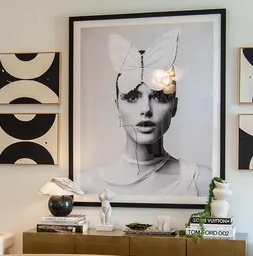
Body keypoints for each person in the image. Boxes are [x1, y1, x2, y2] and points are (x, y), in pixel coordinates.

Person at [78, 30, 212, 199]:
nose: (146, 109)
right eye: (133, 97)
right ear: (117, 107)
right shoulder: (86, 184)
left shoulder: (201, 181)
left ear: (174, 107)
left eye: (158, 97)